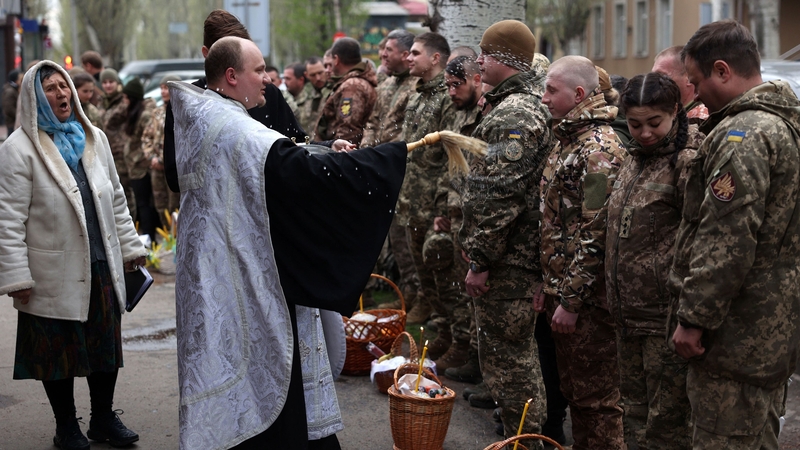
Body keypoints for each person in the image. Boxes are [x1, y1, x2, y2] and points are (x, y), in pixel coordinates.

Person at [170, 35, 406, 450]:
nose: (268, 79)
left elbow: (279, 158)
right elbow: (286, 169)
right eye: (259, 71)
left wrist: (323, 151)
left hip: (220, 261)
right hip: (236, 270)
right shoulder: (230, 124)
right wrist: (385, 160)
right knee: (262, 368)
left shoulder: (207, 109)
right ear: (231, 75)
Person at [0, 60, 147, 450]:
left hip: (100, 263)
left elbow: (116, 198)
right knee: (57, 353)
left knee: (104, 348)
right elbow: (8, 219)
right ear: (35, 98)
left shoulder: (92, 136)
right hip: (50, 270)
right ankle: (66, 426)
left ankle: (102, 418)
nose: (62, 94)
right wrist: (16, 277)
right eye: (50, 88)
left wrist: (132, 249)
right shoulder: (18, 150)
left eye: (64, 86)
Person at [670, 19, 800, 449]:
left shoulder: (742, 134)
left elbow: (726, 239)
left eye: (696, 81)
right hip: (768, 331)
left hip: (732, 338)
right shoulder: (784, 124)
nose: (695, 94)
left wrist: (694, 319)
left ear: (723, 71)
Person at [459, 19, 552, 448]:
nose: (479, 61)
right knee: (511, 364)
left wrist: (481, 260)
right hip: (509, 260)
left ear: (506, 61)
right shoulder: (516, 104)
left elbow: (499, 198)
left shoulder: (515, 113)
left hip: (507, 265)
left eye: (486, 54)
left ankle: (527, 442)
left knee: (512, 367)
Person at [606, 72, 704, 450]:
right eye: (634, 124)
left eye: (654, 123)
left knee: (666, 424)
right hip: (627, 315)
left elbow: (700, 239)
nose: (644, 133)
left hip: (664, 320)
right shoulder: (635, 157)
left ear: (676, 112)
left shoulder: (688, 160)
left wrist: (689, 315)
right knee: (632, 413)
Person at [536, 55, 626, 450]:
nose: (542, 98)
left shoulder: (597, 151)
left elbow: (596, 232)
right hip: (564, 291)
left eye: (551, 90)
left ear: (577, 94)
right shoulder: (568, 138)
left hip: (587, 301)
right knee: (577, 394)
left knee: (597, 402)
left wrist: (571, 300)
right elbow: (555, 222)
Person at [163, 9, 308, 194]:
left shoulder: (267, 93)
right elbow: (175, 177)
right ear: (207, 53)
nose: (266, 79)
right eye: (226, 52)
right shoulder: (188, 103)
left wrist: (327, 147)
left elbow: (297, 146)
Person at [397, 32, 454, 334]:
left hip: (434, 205)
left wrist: (442, 206)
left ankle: (452, 336)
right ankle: (444, 333)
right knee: (425, 276)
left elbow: (450, 157)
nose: (409, 57)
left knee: (442, 277)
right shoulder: (418, 95)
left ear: (435, 58)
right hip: (411, 201)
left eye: (415, 53)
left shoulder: (448, 96)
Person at [435, 54, 482, 377]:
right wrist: (445, 208)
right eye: (448, 85)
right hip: (458, 214)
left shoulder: (487, 115)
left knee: (476, 294)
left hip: (476, 220)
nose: (452, 92)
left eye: (457, 84)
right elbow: (452, 168)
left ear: (477, 79)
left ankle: (475, 358)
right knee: (459, 287)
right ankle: (464, 346)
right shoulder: (458, 114)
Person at [313, 37, 377, 145]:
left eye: (332, 60)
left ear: (336, 60)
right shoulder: (352, 83)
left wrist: (337, 157)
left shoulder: (352, 87)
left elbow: (347, 130)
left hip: (342, 154)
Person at [121, 78, 159, 242]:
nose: (124, 101)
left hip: (142, 167)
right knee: (141, 203)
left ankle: (149, 238)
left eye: (126, 97)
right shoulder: (133, 113)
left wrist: (139, 158)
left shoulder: (144, 115)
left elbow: (147, 139)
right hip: (134, 166)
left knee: (144, 204)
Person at [142, 74, 181, 214]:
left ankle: (176, 235)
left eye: (167, 88)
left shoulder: (182, 113)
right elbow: (146, 137)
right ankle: (166, 235)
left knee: (175, 207)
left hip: (174, 168)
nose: (163, 92)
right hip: (157, 169)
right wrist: (151, 157)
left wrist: (164, 161)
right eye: (161, 88)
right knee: (160, 206)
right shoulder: (156, 113)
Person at [99, 68, 135, 216]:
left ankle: (132, 223)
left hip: (122, 153)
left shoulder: (124, 101)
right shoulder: (101, 102)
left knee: (125, 191)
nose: (108, 85)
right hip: (105, 153)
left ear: (117, 83)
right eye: (105, 82)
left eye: (111, 82)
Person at [652, 46, 709, 123]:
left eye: (661, 76)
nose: (654, 81)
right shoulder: (678, 115)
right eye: (653, 77)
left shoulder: (698, 119)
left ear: (689, 77)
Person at [299, 56, 330, 134]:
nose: (318, 78)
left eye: (320, 73)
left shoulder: (335, 91)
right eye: (313, 75)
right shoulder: (305, 94)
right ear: (306, 75)